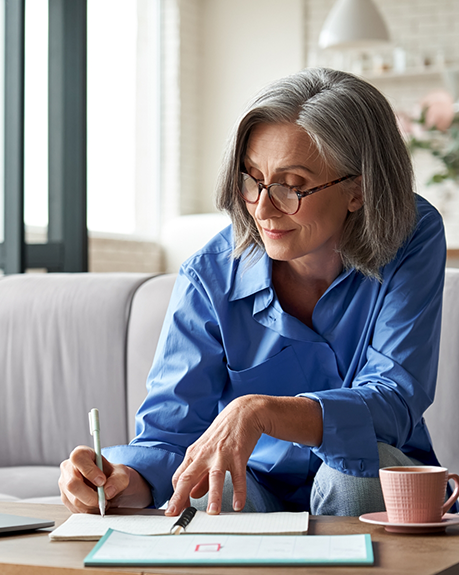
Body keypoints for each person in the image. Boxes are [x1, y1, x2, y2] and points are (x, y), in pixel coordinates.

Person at [59, 67, 446, 517]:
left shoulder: (411, 234)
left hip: (369, 481)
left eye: (291, 186)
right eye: (251, 180)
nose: (262, 209)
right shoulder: (209, 275)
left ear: (357, 191)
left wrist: (262, 411)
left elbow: (394, 398)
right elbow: (170, 434)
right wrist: (120, 481)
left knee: (354, 469)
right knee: (210, 484)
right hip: (255, 487)